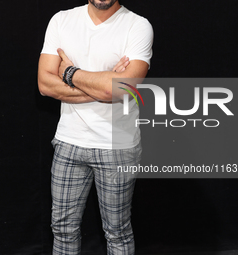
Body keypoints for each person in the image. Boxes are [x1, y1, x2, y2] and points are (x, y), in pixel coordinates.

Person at [38, 0, 153, 254]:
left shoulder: (138, 26)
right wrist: (104, 86)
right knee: (62, 229)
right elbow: (45, 84)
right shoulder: (61, 20)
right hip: (68, 142)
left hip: (117, 146)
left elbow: (122, 88)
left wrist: (68, 73)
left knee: (117, 232)